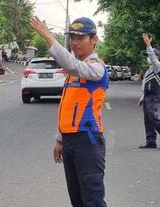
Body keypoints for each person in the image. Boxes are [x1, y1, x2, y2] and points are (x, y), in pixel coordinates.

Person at [30, 16, 109, 207]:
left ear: (94, 39)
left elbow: (73, 65)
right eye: (72, 38)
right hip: (71, 140)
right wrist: (60, 138)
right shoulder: (72, 74)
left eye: (81, 38)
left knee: (93, 200)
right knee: (77, 200)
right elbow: (67, 105)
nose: (75, 42)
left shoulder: (97, 68)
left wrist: (49, 38)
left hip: (88, 140)